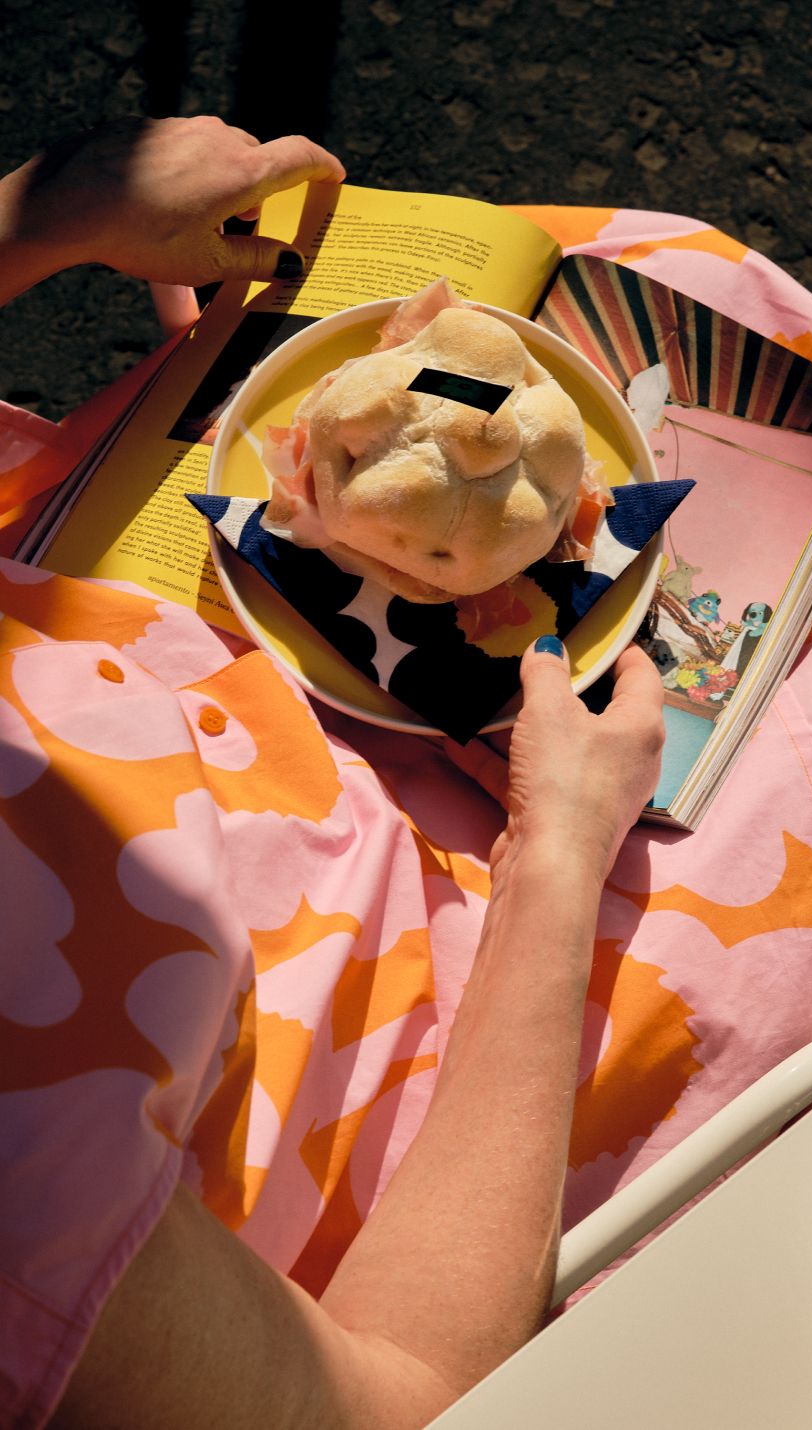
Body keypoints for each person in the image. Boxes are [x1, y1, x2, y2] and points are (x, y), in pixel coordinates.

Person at [0, 116, 665, 1429]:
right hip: (388, 1050)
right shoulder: (28, 1206)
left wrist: (48, 214)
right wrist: (561, 851)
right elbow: (395, 1394)